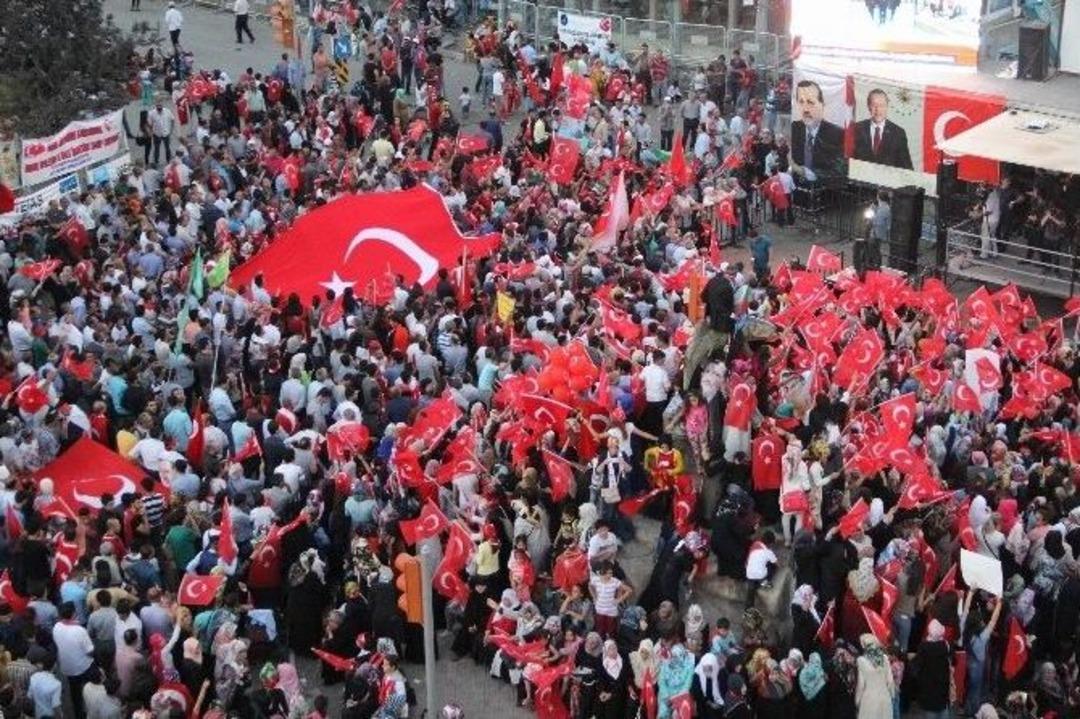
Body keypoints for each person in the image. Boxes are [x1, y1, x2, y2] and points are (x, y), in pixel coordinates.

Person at [789, 79, 846, 183]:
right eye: (801, 102)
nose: (805, 109)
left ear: (822, 105)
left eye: (810, 102)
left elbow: (838, 171)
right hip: (797, 188)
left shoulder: (837, 134)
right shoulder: (794, 128)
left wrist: (802, 171)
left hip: (824, 192)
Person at [852, 89, 913, 169]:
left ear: (887, 106)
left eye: (881, 105)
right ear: (868, 106)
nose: (878, 110)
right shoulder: (856, 129)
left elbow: (907, 168)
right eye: (874, 105)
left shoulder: (898, 133)